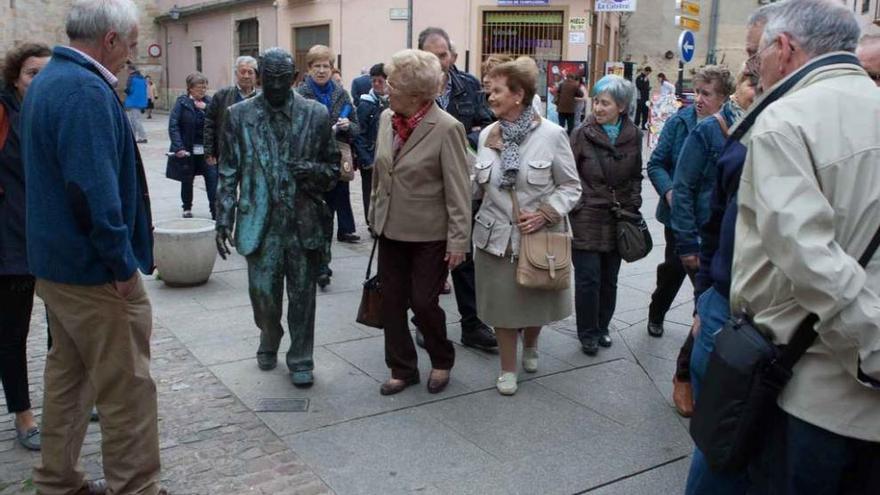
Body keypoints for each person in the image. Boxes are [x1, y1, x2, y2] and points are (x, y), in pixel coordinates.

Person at [732, 1, 880, 492]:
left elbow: (808, 258)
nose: (756, 68)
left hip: (817, 390)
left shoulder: (787, 118)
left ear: (785, 48)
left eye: (760, 55)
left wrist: (875, 352)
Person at [20, 0, 162, 493]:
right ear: (110, 40)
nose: (132, 52)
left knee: (68, 379)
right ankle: (137, 486)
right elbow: (92, 192)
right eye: (131, 40)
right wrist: (121, 265)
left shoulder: (50, 79)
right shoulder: (83, 88)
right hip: (92, 272)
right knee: (128, 389)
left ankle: (57, 480)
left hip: (58, 266)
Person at [215, 47, 340, 388]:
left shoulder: (315, 114)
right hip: (260, 220)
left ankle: (301, 357)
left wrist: (311, 171)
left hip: (303, 220)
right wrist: (223, 217)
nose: (274, 86)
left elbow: (333, 170)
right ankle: (269, 334)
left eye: (282, 79)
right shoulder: (238, 115)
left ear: (294, 78)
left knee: (303, 296)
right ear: (258, 77)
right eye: (268, 78)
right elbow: (228, 171)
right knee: (263, 296)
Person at [475, 57, 581, 395]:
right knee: (503, 308)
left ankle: (532, 344)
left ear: (518, 94)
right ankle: (508, 368)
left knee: (535, 301)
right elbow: (478, 186)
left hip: (539, 235)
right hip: (495, 237)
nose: (489, 97)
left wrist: (547, 212)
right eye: (488, 91)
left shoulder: (552, 135)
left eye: (496, 91)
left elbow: (571, 186)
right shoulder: (486, 136)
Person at [369, 49, 471, 396]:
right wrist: (373, 214)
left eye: (393, 84)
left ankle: (442, 359)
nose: (386, 89)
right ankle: (402, 368)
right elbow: (380, 173)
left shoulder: (447, 128)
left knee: (424, 302)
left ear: (415, 94)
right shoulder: (386, 119)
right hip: (390, 229)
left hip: (430, 234)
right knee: (392, 301)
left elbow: (459, 190)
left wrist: (459, 241)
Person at [682, 58, 762, 495]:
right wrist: (694, 255)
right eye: (748, 75)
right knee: (719, 438)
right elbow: (713, 209)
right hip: (724, 293)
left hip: (738, 297)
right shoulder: (717, 132)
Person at [418, 26, 497, 351]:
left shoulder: (468, 85)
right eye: (431, 55)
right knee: (429, 259)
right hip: (425, 186)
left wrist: (467, 140)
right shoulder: (414, 86)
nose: (439, 61)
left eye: (443, 54)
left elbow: (486, 125)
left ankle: (472, 325)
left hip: (463, 182)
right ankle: (426, 321)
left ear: (452, 54)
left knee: (463, 257)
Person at [569, 75, 642, 357]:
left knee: (609, 278)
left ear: (621, 107)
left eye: (605, 103)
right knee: (588, 279)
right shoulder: (580, 134)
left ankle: (603, 327)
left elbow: (636, 174)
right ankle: (587, 333)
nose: (598, 108)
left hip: (619, 217)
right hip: (586, 215)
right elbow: (567, 174)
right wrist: (577, 205)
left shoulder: (633, 135)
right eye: (596, 101)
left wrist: (633, 204)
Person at [0, 42, 51, 453]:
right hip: (11, 241)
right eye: (32, 72)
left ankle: (67, 398)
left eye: (45, 73)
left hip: (54, 241)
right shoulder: (3, 115)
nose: (39, 80)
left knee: (65, 328)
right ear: (15, 77)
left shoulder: (53, 111)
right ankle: (23, 415)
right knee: (13, 333)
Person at [296, 44, 361, 291]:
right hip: (311, 164)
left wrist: (347, 125)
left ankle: (323, 265)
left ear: (332, 68)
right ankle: (313, 259)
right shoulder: (301, 95)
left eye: (326, 66)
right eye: (317, 66)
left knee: (329, 215)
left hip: (335, 165)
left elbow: (357, 128)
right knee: (312, 217)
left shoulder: (341, 94)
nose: (322, 70)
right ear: (309, 69)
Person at [670, 66, 736, 274]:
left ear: (724, 97)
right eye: (697, 92)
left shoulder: (734, 125)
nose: (698, 99)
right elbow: (679, 182)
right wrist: (667, 192)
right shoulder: (687, 123)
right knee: (673, 276)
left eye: (706, 94)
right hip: (691, 222)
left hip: (717, 226)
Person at [166, 72, 215, 219]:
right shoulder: (182, 103)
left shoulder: (210, 102)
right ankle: (187, 207)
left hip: (207, 150)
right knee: (187, 179)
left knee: (212, 179)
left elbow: (219, 119)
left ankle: (215, 209)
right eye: (199, 87)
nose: (202, 90)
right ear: (190, 88)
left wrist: (206, 108)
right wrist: (178, 147)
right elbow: (173, 125)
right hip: (188, 149)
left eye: (204, 87)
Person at [204, 55, 258, 167]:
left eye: (250, 72)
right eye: (242, 72)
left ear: (256, 75)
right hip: (227, 153)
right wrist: (209, 152)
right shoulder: (222, 95)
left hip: (254, 156)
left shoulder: (262, 99)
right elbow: (209, 124)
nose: (246, 76)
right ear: (236, 74)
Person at [352, 63, 388, 222]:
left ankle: (384, 218)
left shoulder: (393, 102)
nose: (376, 85)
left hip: (388, 156)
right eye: (373, 81)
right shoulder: (365, 104)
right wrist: (366, 159)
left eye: (380, 81)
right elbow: (358, 134)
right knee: (369, 191)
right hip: (370, 156)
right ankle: (370, 220)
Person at [124, 63, 148, 143]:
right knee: (134, 120)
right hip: (141, 101)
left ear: (131, 70)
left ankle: (143, 137)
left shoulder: (131, 78)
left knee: (135, 120)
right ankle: (133, 137)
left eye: (127, 70)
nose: (127, 71)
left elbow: (129, 90)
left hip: (133, 100)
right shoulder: (142, 78)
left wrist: (126, 91)